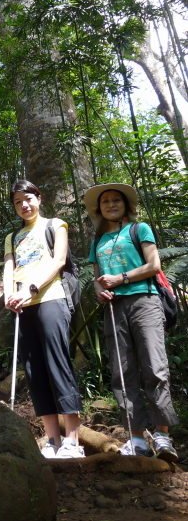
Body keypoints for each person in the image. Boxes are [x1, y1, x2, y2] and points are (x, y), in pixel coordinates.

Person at [84, 183, 178, 461]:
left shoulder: (139, 229)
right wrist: (100, 291)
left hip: (145, 301)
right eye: (105, 202)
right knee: (122, 373)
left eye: (116, 200)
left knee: (154, 366)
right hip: (114, 308)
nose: (110, 204)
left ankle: (162, 435)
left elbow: (154, 265)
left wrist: (121, 279)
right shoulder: (97, 241)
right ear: (99, 209)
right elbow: (96, 278)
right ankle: (137, 438)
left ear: (126, 205)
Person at [3, 180, 84, 459]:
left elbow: (58, 260)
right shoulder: (13, 236)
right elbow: (9, 266)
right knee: (34, 369)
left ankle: (73, 440)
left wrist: (30, 289)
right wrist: (9, 296)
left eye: (28, 199)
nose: (24, 205)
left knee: (57, 363)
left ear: (39, 198)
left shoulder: (55, 225)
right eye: (17, 202)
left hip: (51, 299)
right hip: (22, 307)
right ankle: (52, 439)